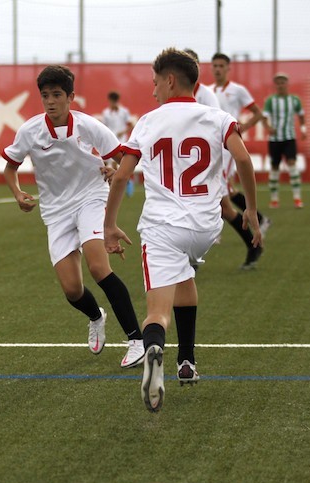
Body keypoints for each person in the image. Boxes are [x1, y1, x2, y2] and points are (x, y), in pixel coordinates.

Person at [103, 48, 262, 412]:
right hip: (205, 226)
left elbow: (123, 175)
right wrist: (250, 209)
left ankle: (154, 347)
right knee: (185, 278)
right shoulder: (218, 116)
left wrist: (110, 225)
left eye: (155, 81)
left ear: (170, 80)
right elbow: (243, 158)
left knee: (157, 313)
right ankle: (186, 362)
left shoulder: (147, 121)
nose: (152, 89)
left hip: (163, 227)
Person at [2, 65, 145, 369]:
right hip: (55, 210)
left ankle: (137, 340)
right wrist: (17, 194)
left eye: (56, 95)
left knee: (97, 266)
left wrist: (115, 170)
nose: (50, 101)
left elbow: (125, 160)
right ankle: (96, 317)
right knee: (71, 289)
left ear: (71, 97)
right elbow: (10, 167)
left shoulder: (90, 126)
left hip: (91, 197)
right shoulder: (29, 131)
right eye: (45, 96)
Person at [209, 52, 271, 269]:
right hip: (211, 149)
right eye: (214, 65)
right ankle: (255, 230)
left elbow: (257, 112)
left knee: (224, 201)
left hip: (226, 149)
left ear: (228, 68)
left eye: (221, 65)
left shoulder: (237, 90)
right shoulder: (208, 91)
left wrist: (243, 127)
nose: (217, 69)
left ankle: (251, 238)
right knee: (225, 200)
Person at [262, 72, 307, 208]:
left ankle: (297, 198)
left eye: (283, 82)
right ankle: (274, 199)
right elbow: (264, 117)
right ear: (275, 85)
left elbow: (301, 115)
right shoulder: (271, 100)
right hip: (275, 139)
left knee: (292, 164)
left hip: (289, 138)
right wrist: (268, 127)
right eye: (278, 82)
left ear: (287, 84)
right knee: (275, 167)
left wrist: (304, 130)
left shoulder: (294, 100)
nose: (281, 85)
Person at [100, 91, 136, 196]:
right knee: (105, 163)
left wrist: (123, 132)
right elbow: (103, 127)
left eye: (114, 101)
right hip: (110, 140)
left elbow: (130, 125)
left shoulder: (124, 112)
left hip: (121, 141)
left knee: (119, 164)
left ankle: (126, 184)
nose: (113, 103)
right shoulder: (106, 113)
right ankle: (109, 185)